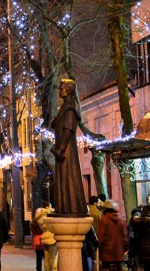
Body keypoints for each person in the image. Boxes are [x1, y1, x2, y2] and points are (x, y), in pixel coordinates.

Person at [52, 78, 88, 216]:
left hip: (66, 151)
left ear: (69, 89)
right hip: (62, 151)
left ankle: (71, 207)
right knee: (64, 178)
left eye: (62, 88)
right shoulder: (65, 108)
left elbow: (68, 129)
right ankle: (64, 207)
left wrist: (60, 149)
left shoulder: (70, 107)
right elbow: (62, 125)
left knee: (69, 177)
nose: (60, 90)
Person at [97, 200, 128, 271]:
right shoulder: (121, 220)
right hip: (119, 253)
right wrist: (124, 248)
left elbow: (101, 237)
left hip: (107, 253)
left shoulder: (104, 220)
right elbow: (125, 237)